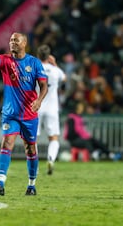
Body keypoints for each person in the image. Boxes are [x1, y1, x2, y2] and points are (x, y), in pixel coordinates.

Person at [0, 32, 48, 196]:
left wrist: (39, 100)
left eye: (16, 40)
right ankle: (0, 183)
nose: (12, 42)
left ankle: (31, 185)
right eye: (11, 40)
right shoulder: (6, 60)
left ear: (24, 43)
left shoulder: (34, 63)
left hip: (29, 114)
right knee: (6, 144)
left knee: (30, 149)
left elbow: (44, 85)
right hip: (10, 114)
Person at [36, 44, 66, 175]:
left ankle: (33, 164)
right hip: (52, 108)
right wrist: (55, 64)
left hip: (36, 106)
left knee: (32, 138)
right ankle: (50, 159)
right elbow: (64, 78)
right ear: (49, 56)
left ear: (38, 55)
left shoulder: (35, 68)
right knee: (53, 138)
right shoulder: (55, 71)